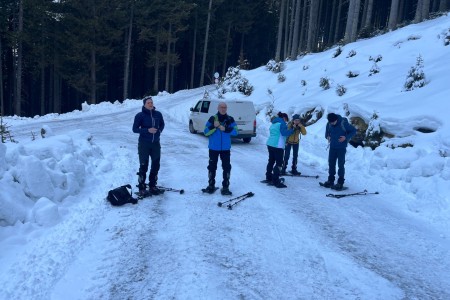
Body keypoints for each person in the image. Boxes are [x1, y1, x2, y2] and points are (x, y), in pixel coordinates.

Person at [132, 96, 165, 196]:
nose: (150, 104)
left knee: (156, 165)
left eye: (151, 102)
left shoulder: (158, 114)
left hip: (155, 144)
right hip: (144, 144)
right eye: (148, 103)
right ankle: (142, 187)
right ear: (144, 104)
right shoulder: (140, 115)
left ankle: (152, 186)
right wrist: (147, 130)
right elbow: (134, 129)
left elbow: (162, 124)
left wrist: (159, 131)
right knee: (143, 166)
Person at [203, 102, 238, 195]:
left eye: (225, 107)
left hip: (225, 149)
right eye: (221, 107)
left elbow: (236, 132)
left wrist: (225, 129)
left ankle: (225, 187)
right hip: (214, 148)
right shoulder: (212, 118)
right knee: (212, 167)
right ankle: (211, 186)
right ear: (218, 108)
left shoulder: (230, 119)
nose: (223, 109)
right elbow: (205, 132)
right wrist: (213, 126)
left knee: (226, 167)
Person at [323, 112, 356, 190]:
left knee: (340, 165)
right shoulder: (329, 124)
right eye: (331, 122)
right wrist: (327, 136)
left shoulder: (343, 123)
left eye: (333, 122)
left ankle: (340, 183)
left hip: (341, 148)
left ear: (336, 119)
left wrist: (345, 137)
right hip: (332, 147)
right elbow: (326, 134)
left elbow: (353, 131)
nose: (332, 124)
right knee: (331, 163)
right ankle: (330, 180)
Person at [264, 112, 294, 188]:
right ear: (284, 118)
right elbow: (284, 133)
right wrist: (292, 130)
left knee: (271, 161)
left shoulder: (274, 123)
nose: (286, 122)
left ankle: (268, 177)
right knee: (279, 163)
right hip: (278, 146)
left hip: (270, 144)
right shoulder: (282, 123)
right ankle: (276, 181)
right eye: (286, 120)